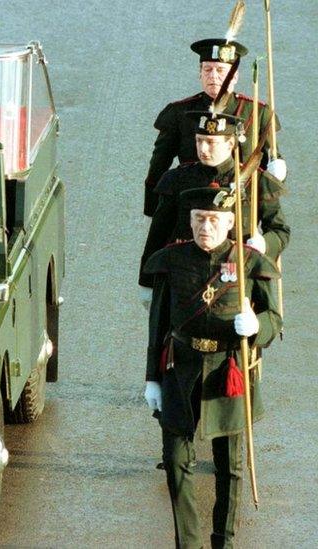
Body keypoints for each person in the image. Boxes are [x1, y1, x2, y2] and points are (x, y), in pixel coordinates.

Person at [142, 186, 281, 548]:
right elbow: (158, 324)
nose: (206, 226)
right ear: (190, 222)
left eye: (214, 220)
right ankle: (188, 543)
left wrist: (257, 326)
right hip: (180, 369)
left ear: (230, 222)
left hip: (228, 370)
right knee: (175, 462)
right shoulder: (171, 261)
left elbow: (274, 320)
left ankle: (224, 541)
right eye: (199, 219)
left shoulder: (249, 262)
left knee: (230, 468)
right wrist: (151, 379)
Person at [138, 111, 289, 306]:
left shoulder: (257, 182)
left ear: (230, 144)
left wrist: (264, 243)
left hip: (235, 277)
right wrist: (147, 282)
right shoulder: (176, 180)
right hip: (185, 276)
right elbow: (158, 234)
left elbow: (280, 230)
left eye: (211, 142)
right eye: (199, 141)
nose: (203, 148)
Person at [142, 38, 284, 216]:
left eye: (221, 70)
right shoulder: (179, 113)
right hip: (192, 208)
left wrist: (278, 172)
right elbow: (158, 166)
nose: (213, 76)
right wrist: (154, 212)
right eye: (207, 69)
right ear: (199, 73)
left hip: (240, 209)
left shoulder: (258, 112)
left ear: (235, 76)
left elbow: (272, 164)